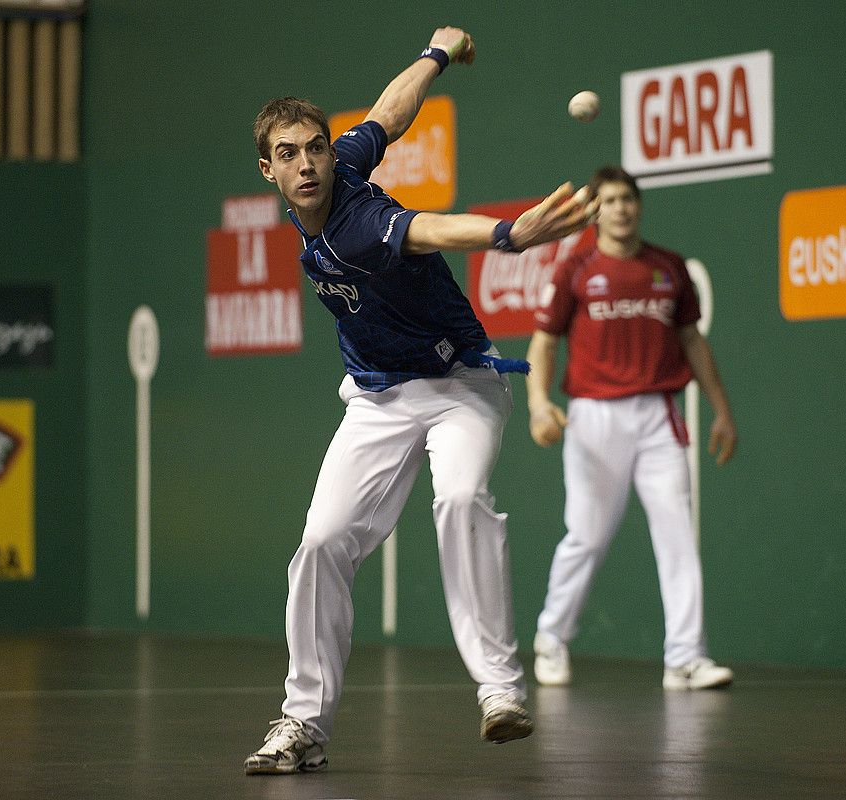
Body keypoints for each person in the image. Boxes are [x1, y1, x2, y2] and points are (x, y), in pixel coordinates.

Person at [242, 28, 598, 775]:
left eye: (314, 147)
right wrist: (436, 55)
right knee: (320, 542)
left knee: (462, 496)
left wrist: (507, 234)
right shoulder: (339, 168)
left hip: (460, 386)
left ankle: (500, 692)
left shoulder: (359, 224)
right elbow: (391, 113)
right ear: (268, 170)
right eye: (288, 154)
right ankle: (303, 722)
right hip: (376, 397)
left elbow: (430, 229)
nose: (307, 163)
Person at [525, 165, 737, 692]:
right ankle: (552, 637)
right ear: (595, 211)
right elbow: (545, 341)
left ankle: (685, 657)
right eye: (610, 200)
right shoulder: (575, 268)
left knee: (678, 535)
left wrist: (722, 411)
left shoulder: (669, 268)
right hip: (594, 418)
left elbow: (693, 341)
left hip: (659, 416)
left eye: (628, 199)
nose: (620, 208)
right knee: (588, 535)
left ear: (638, 206)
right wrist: (536, 403)